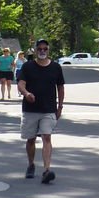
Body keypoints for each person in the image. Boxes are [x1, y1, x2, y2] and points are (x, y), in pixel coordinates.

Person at [17, 38, 65, 184]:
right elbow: (20, 84)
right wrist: (27, 94)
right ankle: (31, 165)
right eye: (40, 49)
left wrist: (60, 107)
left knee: (47, 137)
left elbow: (61, 87)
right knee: (31, 139)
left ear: (48, 50)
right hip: (30, 109)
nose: (42, 51)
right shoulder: (28, 66)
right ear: (35, 50)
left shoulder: (56, 67)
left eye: (45, 49)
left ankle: (46, 170)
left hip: (48, 109)